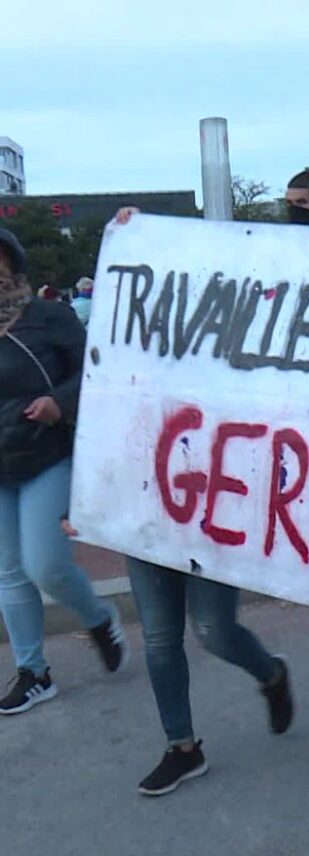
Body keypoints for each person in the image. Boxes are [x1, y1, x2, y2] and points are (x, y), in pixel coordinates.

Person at [96, 208, 294, 796]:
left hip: (214, 511)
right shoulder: (128, 340)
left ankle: (271, 673)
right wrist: (134, 234)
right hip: (146, 508)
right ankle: (181, 746)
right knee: (160, 638)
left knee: (212, 631)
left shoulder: (240, 351)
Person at [0, 228, 127, 716]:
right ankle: (34, 672)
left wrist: (59, 402)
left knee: (45, 564)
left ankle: (98, 619)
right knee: (10, 573)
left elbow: (95, 369)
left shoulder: (49, 317)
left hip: (44, 455)